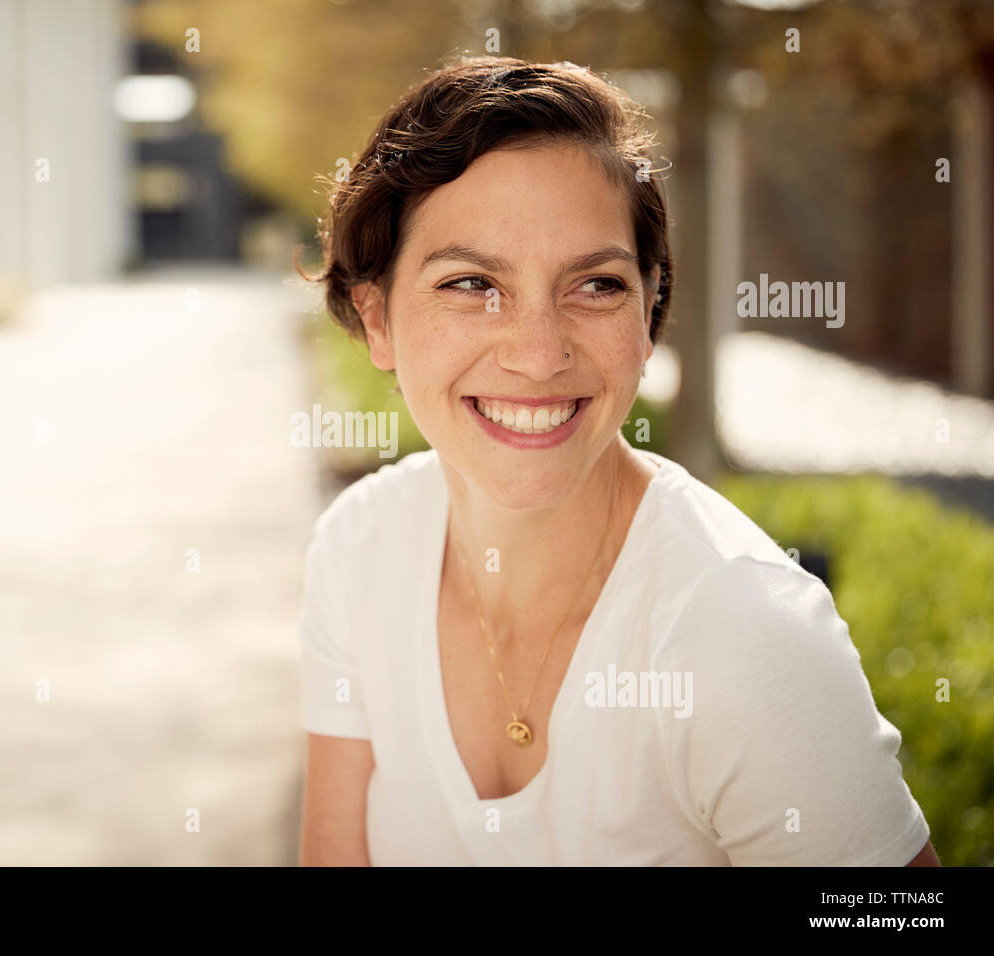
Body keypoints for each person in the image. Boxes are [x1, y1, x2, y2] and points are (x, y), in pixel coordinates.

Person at [294, 56, 937, 866]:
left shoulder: (744, 633)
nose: (537, 353)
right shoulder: (358, 549)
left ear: (649, 311)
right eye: (470, 283)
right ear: (378, 318)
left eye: (595, 285)